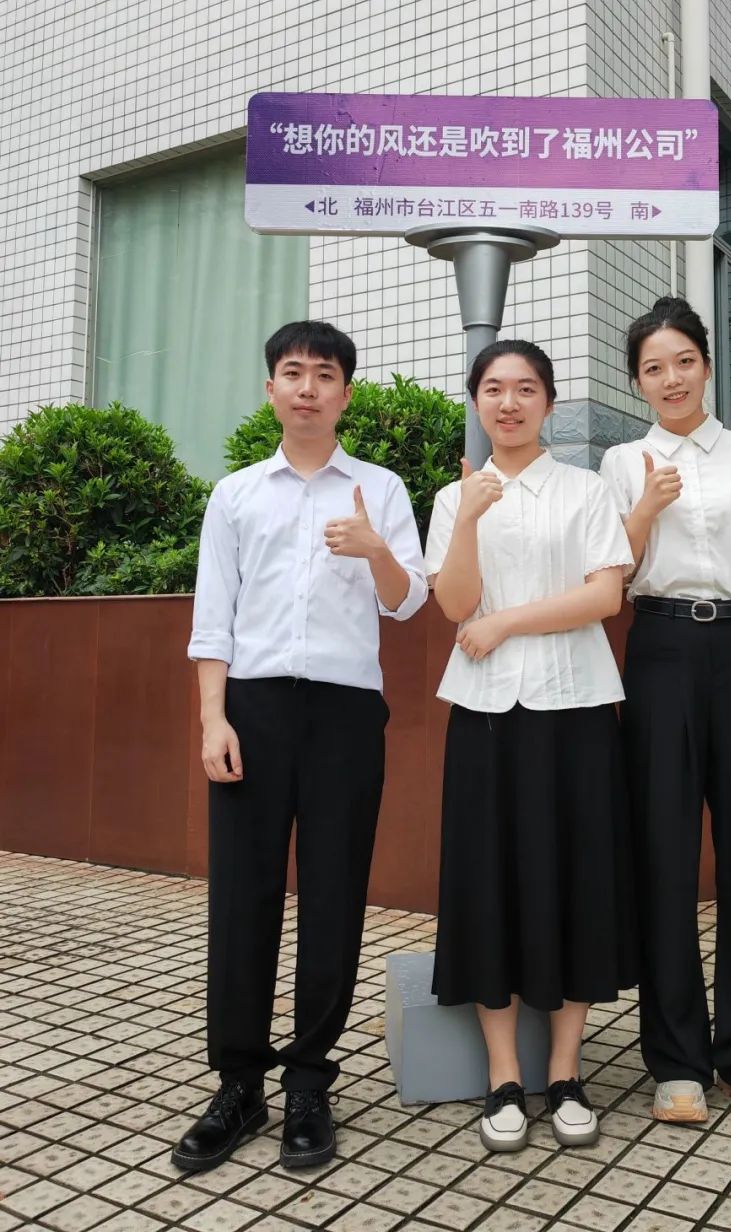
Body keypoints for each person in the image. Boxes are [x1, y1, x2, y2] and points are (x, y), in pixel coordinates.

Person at [173, 320, 427, 1174]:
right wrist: (213, 719)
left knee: (334, 898)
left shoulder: (380, 488)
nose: (309, 387)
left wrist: (375, 549)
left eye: (324, 374)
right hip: (252, 708)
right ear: (272, 389)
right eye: (294, 372)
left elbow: (406, 603)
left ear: (346, 394)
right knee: (241, 897)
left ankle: (311, 1083)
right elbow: (213, 618)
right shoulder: (236, 494)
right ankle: (239, 1084)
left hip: (346, 713)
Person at [600, 296, 731, 1129]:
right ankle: (676, 1061)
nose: (671, 379)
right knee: (663, 855)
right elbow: (613, 574)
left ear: (708, 366)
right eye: (653, 368)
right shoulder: (623, 461)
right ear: (637, 382)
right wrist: (645, 506)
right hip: (659, 651)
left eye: (683, 361)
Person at [424, 339, 637, 1153]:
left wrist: (508, 622)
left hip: (576, 708)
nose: (508, 403)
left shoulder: (586, 490)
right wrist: (469, 519)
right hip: (484, 714)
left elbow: (605, 595)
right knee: (489, 883)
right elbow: (454, 606)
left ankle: (567, 1072)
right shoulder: (455, 498)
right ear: (476, 401)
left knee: (577, 877)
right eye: (493, 389)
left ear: (548, 402)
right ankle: (505, 1076)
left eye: (524, 389)